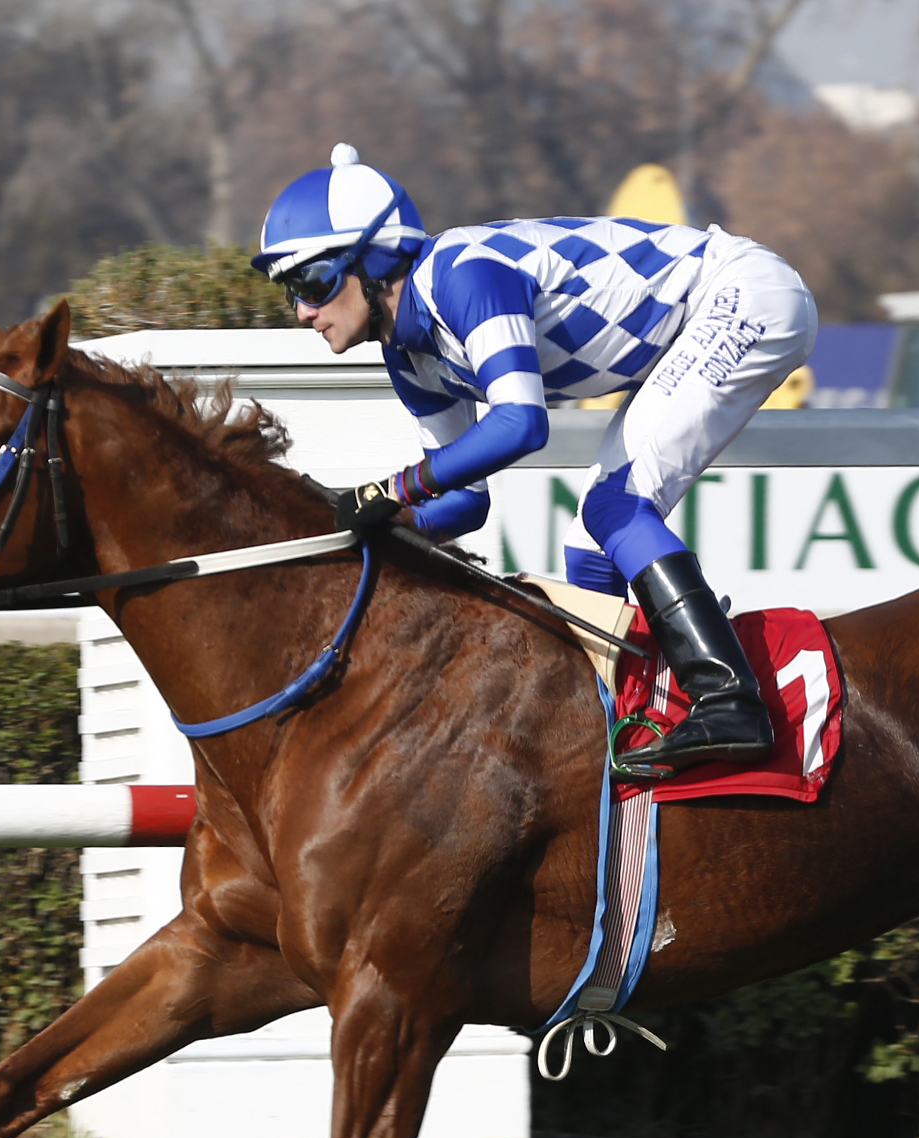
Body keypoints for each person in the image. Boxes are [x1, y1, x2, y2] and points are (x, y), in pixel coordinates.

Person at [252, 144, 817, 776]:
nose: (303, 311)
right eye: (291, 292)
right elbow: (466, 500)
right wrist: (378, 527)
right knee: (590, 552)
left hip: (743, 295)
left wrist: (394, 490)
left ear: (376, 262)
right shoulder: (408, 356)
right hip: (702, 319)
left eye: (314, 284)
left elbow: (521, 424)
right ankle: (619, 726)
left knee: (614, 509)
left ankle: (730, 701)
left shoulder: (461, 276)